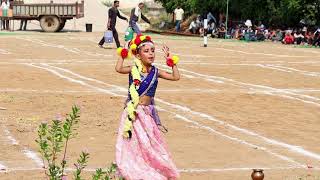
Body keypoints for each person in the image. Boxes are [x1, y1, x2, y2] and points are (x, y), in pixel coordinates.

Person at [115, 34, 180, 179]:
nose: (150, 53)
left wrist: (171, 61)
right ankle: (134, 166)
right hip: (133, 113)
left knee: (149, 142)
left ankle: (151, 165)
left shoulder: (156, 72)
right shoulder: (133, 69)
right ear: (138, 54)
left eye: (152, 50)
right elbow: (118, 68)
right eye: (146, 51)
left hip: (147, 113)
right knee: (134, 142)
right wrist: (123, 53)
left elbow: (176, 77)